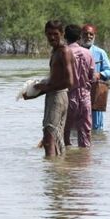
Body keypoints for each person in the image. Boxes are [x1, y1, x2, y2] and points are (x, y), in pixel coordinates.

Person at [26, 20, 75, 157]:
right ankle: (57, 171)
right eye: (49, 34)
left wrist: (46, 87)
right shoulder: (56, 51)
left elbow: (70, 82)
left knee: (49, 137)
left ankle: (51, 171)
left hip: (58, 97)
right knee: (55, 136)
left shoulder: (64, 52)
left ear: (62, 34)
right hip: (56, 95)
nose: (52, 37)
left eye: (55, 34)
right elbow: (56, 80)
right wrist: (34, 92)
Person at [63, 24, 95, 148]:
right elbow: (92, 76)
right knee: (85, 132)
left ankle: (66, 160)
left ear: (65, 36)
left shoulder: (63, 52)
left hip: (68, 95)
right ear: (79, 37)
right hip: (85, 97)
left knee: (65, 131)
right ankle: (84, 162)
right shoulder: (88, 53)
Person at [80, 24, 110, 130]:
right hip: (78, 94)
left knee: (96, 128)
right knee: (77, 128)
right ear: (80, 35)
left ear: (94, 36)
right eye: (85, 34)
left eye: (91, 34)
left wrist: (99, 74)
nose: (88, 36)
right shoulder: (75, 51)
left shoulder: (100, 53)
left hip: (95, 95)